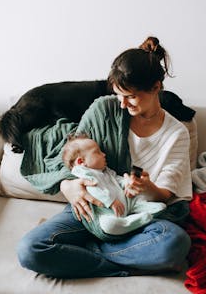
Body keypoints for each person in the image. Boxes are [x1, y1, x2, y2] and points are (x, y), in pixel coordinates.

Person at [17, 36, 193, 278]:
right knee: (30, 250)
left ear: (155, 87)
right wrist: (68, 185)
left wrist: (145, 186)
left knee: (175, 243)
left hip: (138, 217)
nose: (122, 104)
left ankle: (86, 251)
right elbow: (71, 154)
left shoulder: (176, 134)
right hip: (93, 209)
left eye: (130, 96)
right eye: (119, 95)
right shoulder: (104, 109)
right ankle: (123, 258)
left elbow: (165, 195)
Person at [62, 133, 167, 238]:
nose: (104, 154)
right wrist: (110, 201)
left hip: (126, 204)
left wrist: (126, 182)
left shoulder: (105, 171)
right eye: (98, 152)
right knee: (109, 225)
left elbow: (117, 179)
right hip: (107, 212)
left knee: (158, 206)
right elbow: (93, 190)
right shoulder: (84, 174)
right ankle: (133, 221)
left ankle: (138, 211)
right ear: (81, 161)